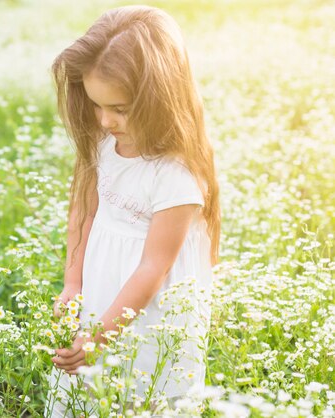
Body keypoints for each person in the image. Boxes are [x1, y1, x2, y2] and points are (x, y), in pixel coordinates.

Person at [45, 5, 220, 417]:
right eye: (96, 104)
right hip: (101, 289)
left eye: (120, 108)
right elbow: (83, 210)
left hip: (152, 308)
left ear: (161, 97)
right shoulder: (105, 143)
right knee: (90, 393)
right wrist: (72, 283)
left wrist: (99, 338)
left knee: (143, 392)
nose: (105, 120)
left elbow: (153, 268)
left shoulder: (176, 173)